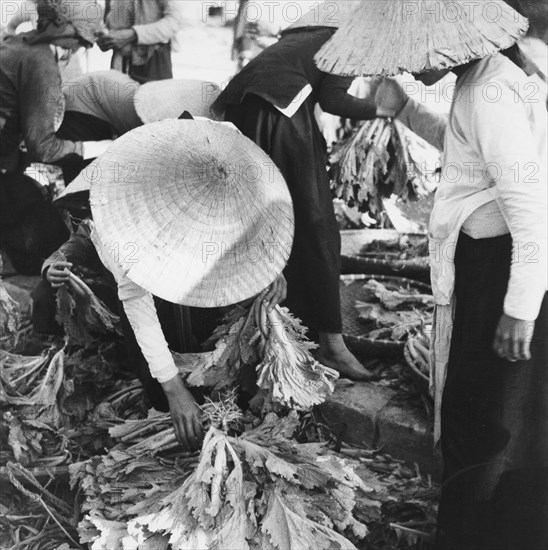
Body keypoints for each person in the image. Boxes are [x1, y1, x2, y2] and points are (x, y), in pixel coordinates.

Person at [370, 4, 547, 550]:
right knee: (499, 415)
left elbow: (528, 202)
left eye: (411, 55)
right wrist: (404, 109)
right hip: (500, 262)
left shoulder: (488, 89)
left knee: (484, 417)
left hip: (502, 269)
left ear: (446, 44)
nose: (406, 64)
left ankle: (474, 535)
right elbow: (472, 152)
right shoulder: (493, 73)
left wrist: (520, 308)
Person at [68, 118, 294, 449]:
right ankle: (168, 389)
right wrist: (173, 388)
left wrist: (269, 265)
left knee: (209, 308)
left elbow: (260, 207)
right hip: (136, 251)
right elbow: (136, 302)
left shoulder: (227, 147)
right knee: (162, 383)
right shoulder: (118, 222)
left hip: (194, 172)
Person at [212, 2, 381, 380]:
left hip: (246, 112)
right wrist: (381, 111)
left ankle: (289, 327)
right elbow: (334, 98)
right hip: (278, 117)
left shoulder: (303, 38)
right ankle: (333, 345)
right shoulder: (348, 38)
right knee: (316, 221)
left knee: (270, 212)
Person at [0, 0, 101, 274]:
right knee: (49, 248)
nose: (78, 49)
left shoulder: (19, 43)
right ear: (67, 34)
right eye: (80, 42)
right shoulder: (41, 64)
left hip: (9, 155)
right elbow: (43, 149)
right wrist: (92, 147)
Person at [98, 0, 184, 83]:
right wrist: (105, 38)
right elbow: (109, 20)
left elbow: (174, 22)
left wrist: (134, 34)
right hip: (121, 60)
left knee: (154, 96)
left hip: (153, 59)